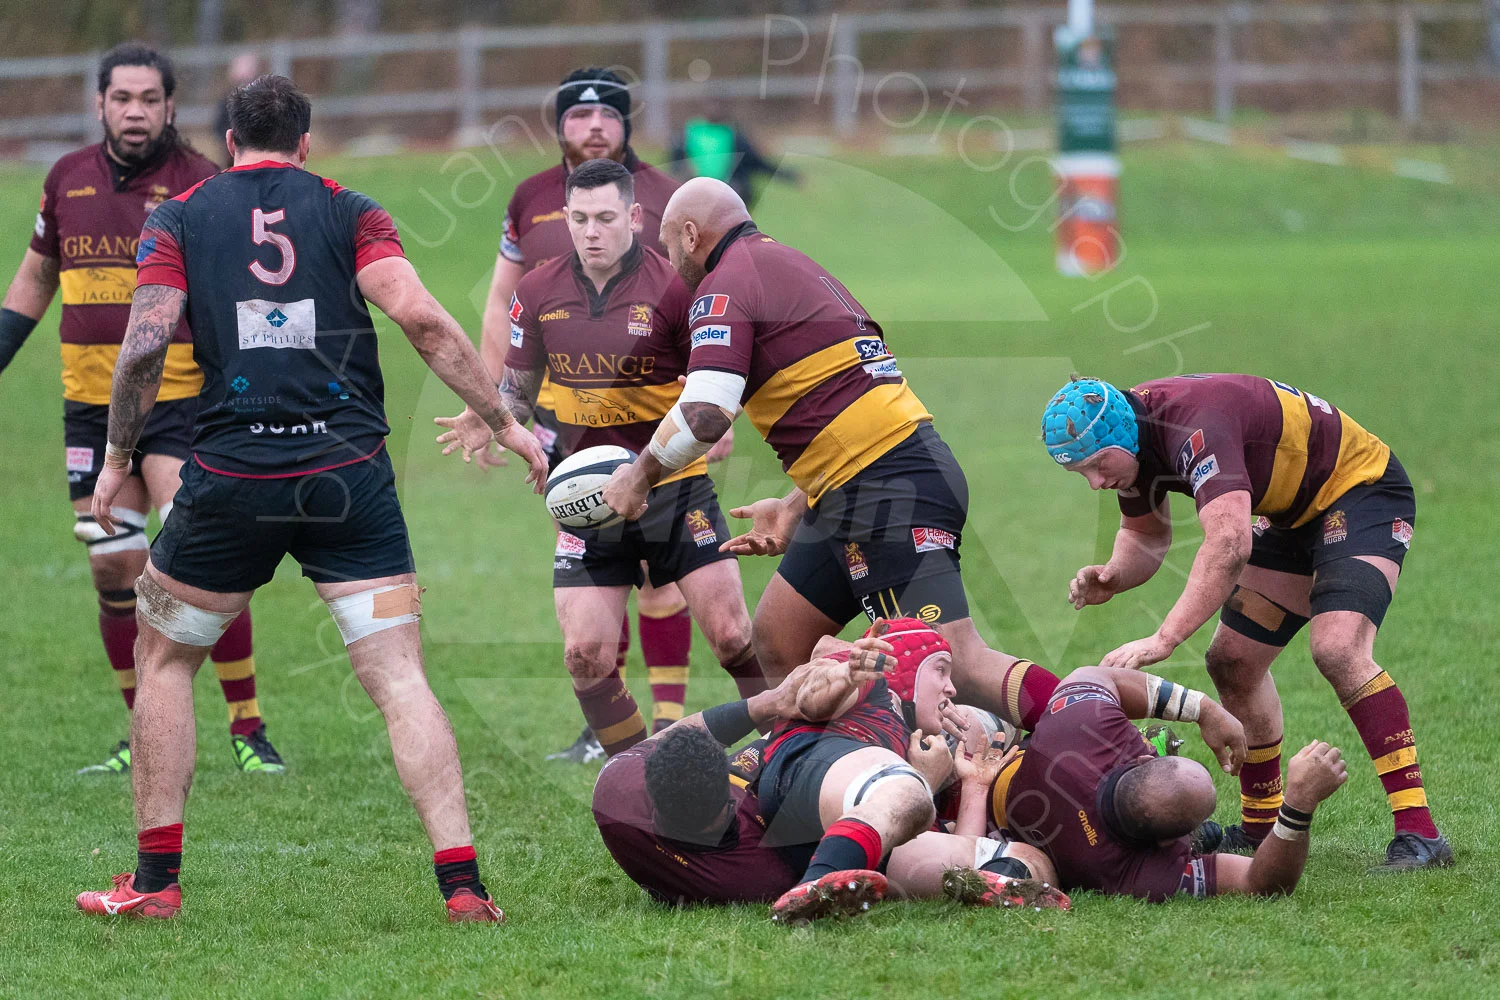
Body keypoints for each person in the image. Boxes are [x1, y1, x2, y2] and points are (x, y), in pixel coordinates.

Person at [74, 75, 547, 923]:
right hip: (349, 478)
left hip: (231, 481)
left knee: (165, 657)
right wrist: (503, 420)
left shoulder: (179, 214)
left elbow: (145, 345)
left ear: (226, 141)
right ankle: (464, 886)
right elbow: (425, 319)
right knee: (400, 677)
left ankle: (153, 885)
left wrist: (117, 457)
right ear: (305, 142)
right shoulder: (350, 208)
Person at [600, 177, 1062, 737]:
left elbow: (705, 414)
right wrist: (799, 502)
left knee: (956, 664)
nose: (673, 263)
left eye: (671, 246)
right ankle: (815, 775)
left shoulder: (722, 288)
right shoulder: (791, 266)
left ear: (692, 235)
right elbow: (851, 397)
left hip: (888, 487)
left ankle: (1101, 734)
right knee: (778, 638)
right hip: (859, 483)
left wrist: (639, 474)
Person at [0, 42, 282, 776]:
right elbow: (36, 280)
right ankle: (143, 729)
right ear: (99, 104)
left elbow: (239, 293)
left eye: (148, 100)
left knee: (200, 561)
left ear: (170, 106)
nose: (134, 112)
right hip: (89, 405)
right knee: (113, 569)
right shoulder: (65, 180)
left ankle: (248, 727)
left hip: (183, 402)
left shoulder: (202, 184)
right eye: (121, 99)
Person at [1041, 374, 1451, 870]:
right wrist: (1114, 575)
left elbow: (1230, 543)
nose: (1096, 483)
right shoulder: (1132, 434)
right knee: (1233, 661)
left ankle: (1419, 831)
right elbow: (1145, 536)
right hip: (1288, 514)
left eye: (1097, 465)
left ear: (1119, 436)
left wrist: (1166, 637)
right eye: (1080, 473)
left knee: (1338, 649)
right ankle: (1259, 826)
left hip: (1359, 492)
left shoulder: (1194, 428)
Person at [492, 158, 765, 759]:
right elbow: (515, 387)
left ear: (636, 218)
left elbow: (722, 373)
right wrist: (490, 416)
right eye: (580, 218)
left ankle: (782, 741)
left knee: (730, 635)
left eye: (607, 218)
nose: (593, 231)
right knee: (585, 655)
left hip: (675, 487)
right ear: (565, 218)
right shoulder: (535, 292)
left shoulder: (676, 286)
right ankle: (634, 771)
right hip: (588, 501)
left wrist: (721, 424)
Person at [477, 67, 708, 761]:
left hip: (658, 420)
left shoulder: (669, 197)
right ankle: (609, 729)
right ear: (559, 127)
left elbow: (711, 303)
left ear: (626, 124)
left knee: (659, 576)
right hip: (564, 421)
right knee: (594, 558)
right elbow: (502, 301)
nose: (593, 126)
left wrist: (710, 406)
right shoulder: (530, 199)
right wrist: (496, 401)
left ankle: (667, 721)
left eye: (606, 114)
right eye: (578, 117)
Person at [594, 631, 1064, 911]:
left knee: (920, 785)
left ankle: (982, 869)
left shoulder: (618, 794)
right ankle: (994, 870)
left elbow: (672, 738)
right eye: (724, 819)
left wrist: (767, 703)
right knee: (1005, 846)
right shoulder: (754, 868)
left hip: (845, 794)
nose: (737, 805)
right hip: (832, 834)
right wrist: (952, 782)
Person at [756, 618, 1067, 923]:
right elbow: (811, 699)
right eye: (941, 670)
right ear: (905, 669)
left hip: (850, 834)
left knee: (1031, 858)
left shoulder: (906, 745)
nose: (951, 689)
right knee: (909, 793)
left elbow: (955, 863)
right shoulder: (873, 682)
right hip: (803, 774)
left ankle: (1000, 881)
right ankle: (818, 882)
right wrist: (847, 673)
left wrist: (975, 786)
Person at [1004, 664, 1355, 900]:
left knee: (992, 699)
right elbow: (1262, 882)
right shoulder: (1139, 875)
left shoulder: (1085, 721)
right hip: (999, 824)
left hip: (998, 774)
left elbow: (1091, 674)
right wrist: (1299, 805)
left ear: (1141, 759)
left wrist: (1202, 708)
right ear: (1170, 841)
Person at [667, 104, 801, 205]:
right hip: (706, 192)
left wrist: (788, 176)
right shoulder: (692, 133)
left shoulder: (732, 135)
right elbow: (676, 165)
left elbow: (758, 163)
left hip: (723, 192)